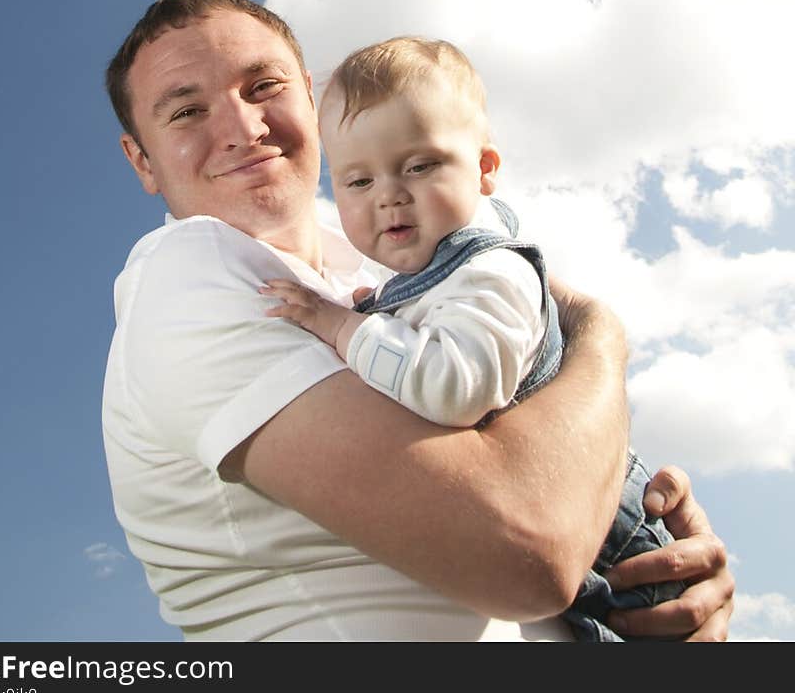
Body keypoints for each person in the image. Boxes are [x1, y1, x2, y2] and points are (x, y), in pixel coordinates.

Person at [101, 0, 734, 642]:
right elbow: (528, 553)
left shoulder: (387, 266)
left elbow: (547, 439)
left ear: (312, 98)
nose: (243, 128)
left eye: (263, 85)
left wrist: (639, 531)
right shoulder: (189, 268)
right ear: (141, 159)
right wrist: (603, 337)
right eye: (186, 111)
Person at [261, 35, 684, 641]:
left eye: (420, 165)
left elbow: (453, 389)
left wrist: (341, 327)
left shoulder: (490, 271)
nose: (389, 194)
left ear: (485, 170)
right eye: (356, 181)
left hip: (614, 547)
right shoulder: (427, 275)